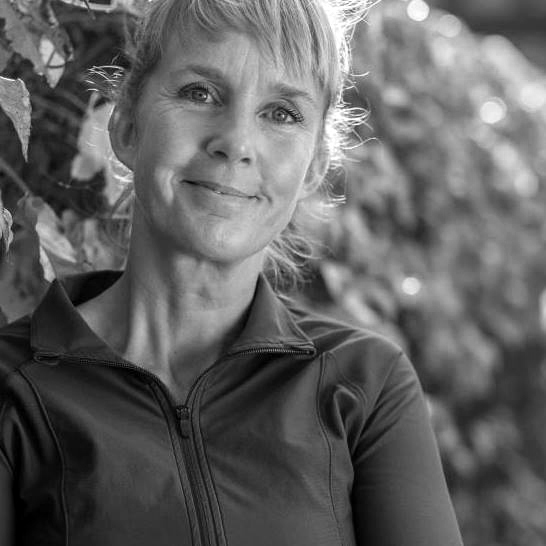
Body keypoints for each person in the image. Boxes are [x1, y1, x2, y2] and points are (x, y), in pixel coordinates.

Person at [0, 0, 464, 544]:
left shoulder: (366, 385)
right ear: (125, 125)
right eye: (200, 93)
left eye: (282, 113)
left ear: (314, 166)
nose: (236, 143)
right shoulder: (10, 386)